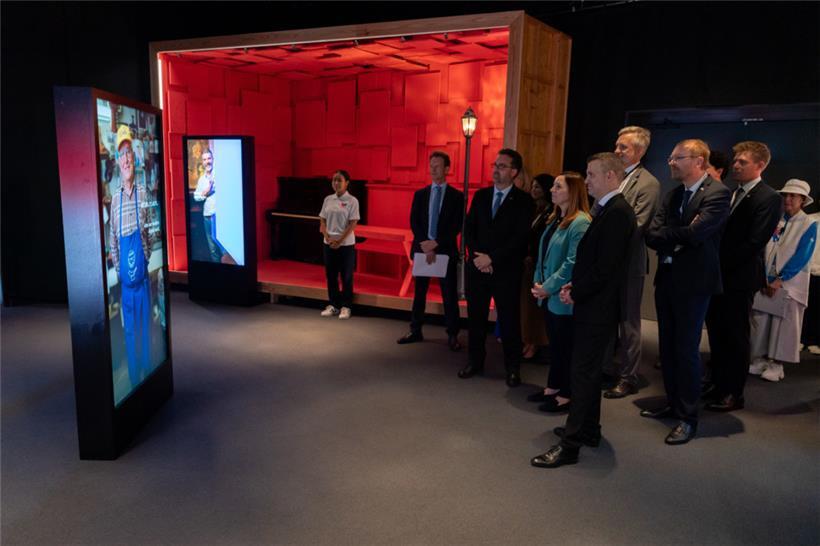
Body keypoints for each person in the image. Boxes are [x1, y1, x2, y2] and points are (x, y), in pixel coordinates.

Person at [530, 153, 635, 468]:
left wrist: (576, 290)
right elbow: (594, 262)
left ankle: (570, 445)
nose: (586, 181)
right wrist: (574, 287)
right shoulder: (609, 209)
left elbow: (605, 268)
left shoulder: (618, 212)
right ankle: (589, 430)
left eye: (591, 175)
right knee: (586, 373)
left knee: (583, 375)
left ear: (610, 176)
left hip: (598, 308)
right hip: (592, 303)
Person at [642, 139, 730, 445]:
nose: (671, 162)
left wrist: (674, 236)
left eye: (677, 158)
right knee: (667, 348)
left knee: (686, 350)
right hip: (667, 279)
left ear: (699, 161)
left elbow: (696, 233)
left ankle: (688, 417)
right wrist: (678, 237)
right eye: (671, 157)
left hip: (694, 284)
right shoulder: (674, 194)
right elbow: (651, 235)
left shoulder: (717, 193)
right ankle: (673, 403)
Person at [703, 141, 782, 411]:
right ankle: (717, 383)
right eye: (735, 160)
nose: (735, 165)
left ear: (760, 165)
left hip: (739, 278)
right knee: (717, 332)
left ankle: (733, 393)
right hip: (720, 276)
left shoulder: (769, 197)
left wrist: (718, 262)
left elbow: (754, 242)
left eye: (742, 162)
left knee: (735, 336)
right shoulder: (733, 192)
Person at [459, 149, 535, 387]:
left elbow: (519, 239)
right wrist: (478, 258)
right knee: (476, 319)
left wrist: (491, 259)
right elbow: (469, 229)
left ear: (514, 172)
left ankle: (513, 368)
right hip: (477, 268)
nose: (496, 170)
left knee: (509, 321)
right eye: (495, 165)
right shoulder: (481, 196)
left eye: (502, 166)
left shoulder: (524, 201)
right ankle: (474, 361)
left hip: (506, 271)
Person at [602, 126, 661, 398]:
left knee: (628, 324)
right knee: (605, 318)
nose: (617, 151)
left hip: (628, 264)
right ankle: (604, 369)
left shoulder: (649, 183)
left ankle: (628, 377)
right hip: (604, 263)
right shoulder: (611, 176)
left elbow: (637, 225)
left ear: (639, 150)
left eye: (623, 147)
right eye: (616, 145)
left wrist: (602, 241)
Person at [528, 172, 591, 413]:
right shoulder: (556, 218)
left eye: (558, 186)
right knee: (555, 346)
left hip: (563, 296)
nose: (552, 190)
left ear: (572, 192)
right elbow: (542, 254)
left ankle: (566, 394)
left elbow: (572, 263)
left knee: (565, 348)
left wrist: (548, 287)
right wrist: (538, 283)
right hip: (548, 294)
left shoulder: (581, 222)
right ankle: (552, 388)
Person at [750, 179, 817, 381]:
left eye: (793, 196)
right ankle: (760, 359)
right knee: (762, 321)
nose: (787, 199)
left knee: (784, 325)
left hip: (789, 284)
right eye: (785, 195)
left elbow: (802, 256)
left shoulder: (809, 223)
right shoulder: (777, 219)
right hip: (767, 280)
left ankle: (777, 364)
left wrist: (780, 279)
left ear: (802, 200)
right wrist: (765, 277)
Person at [397, 152, 464, 350]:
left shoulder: (457, 197)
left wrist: (436, 243)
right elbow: (414, 221)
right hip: (422, 249)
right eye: (431, 165)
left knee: (449, 296)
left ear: (447, 169)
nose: (433, 169)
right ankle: (415, 330)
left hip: (445, 251)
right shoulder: (420, 194)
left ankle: (452, 335)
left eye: (437, 166)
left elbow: (456, 225)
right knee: (419, 293)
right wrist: (425, 244)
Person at [109, 124, 153, 388]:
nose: (125, 159)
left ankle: (149, 378)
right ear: (117, 161)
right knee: (130, 333)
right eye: (121, 154)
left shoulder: (144, 193)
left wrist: (144, 259)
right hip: (127, 287)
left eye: (128, 153)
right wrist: (121, 271)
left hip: (143, 283)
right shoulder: (115, 200)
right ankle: (135, 379)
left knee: (146, 329)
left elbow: (149, 234)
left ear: (134, 158)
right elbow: (113, 242)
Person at [521, 173, 554, 360]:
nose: (534, 190)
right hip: (527, 263)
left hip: (539, 265)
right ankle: (528, 340)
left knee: (536, 308)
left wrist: (532, 256)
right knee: (527, 307)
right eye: (532, 186)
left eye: (538, 187)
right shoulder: (532, 209)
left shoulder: (551, 212)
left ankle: (536, 342)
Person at [319, 170, 360, 320]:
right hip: (329, 243)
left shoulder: (352, 201)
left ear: (347, 183)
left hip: (346, 245)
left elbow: (353, 223)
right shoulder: (328, 199)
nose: (336, 183)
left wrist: (340, 240)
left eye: (339, 180)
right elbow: (322, 220)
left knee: (346, 276)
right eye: (334, 180)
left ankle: (346, 306)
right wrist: (327, 237)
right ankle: (333, 305)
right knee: (331, 275)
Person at [193, 148, 221, 263]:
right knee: (212, 249)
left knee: (223, 248)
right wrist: (206, 192)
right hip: (207, 217)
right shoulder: (201, 180)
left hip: (218, 216)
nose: (207, 162)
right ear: (202, 162)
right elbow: (196, 197)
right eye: (204, 159)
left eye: (209, 158)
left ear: (213, 159)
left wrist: (204, 193)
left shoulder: (219, 175)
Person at [801, 210, 820, 355]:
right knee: (803, 307)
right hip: (806, 270)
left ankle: (815, 340)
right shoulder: (810, 219)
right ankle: (801, 339)